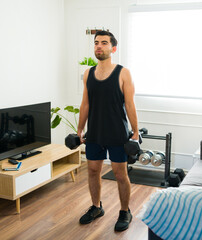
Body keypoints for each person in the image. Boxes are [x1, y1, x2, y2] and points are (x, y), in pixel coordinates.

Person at [77, 30, 139, 232]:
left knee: (120, 174)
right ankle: (96, 207)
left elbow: (130, 105)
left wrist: (136, 132)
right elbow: (85, 104)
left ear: (113, 48)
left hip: (117, 133)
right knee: (93, 170)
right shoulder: (88, 73)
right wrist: (79, 129)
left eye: (104, 43)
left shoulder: (123, 73)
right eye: (96, 43)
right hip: (94, 132)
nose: (99, 46)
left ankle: (124, 211)